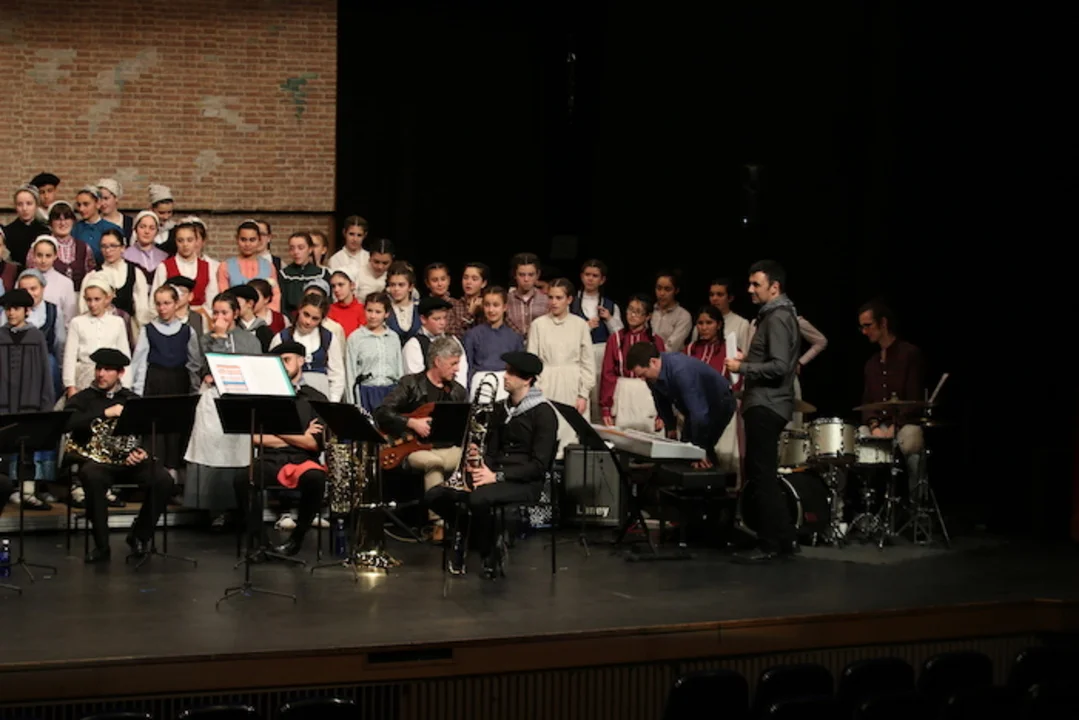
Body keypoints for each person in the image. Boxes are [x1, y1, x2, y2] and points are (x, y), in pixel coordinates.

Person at [426, 351, 559, 578]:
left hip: (524, 482)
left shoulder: (544, 414)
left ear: (527, 380)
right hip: (493, 473)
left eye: (511, 373)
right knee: (436, 495)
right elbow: (492, 450)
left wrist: (496, 476)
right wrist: (479, 464)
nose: (505, 376)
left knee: (478, 498)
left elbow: (538, 466)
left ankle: (489, 554)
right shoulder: (499, 408)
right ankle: (473, 534)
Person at [724, 260, 801, 563]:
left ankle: (771, 543)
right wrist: (749, 359)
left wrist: (742, 367)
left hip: (767, 404)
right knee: (763, 475)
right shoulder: (776, 316)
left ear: (774, 287)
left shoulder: (778, 317)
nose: (750, 289)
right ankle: (784, 540)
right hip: (767, 403)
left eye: (756, 284)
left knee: (762, 476)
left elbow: (780, 366)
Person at [66, 348, 174, 562]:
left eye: (108, 370)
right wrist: (104, 413)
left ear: (120, 373)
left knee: (164, 480)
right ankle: (101, 546)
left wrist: (142, 452)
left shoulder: (131, 399)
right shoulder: (83, 399)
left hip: (128, 462)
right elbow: (67, 423)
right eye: (99, 369)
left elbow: (148, 432)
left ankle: (139, 535)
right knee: (91, 476)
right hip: (99, 462)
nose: (101, 374)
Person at [232, 341, 328, 556]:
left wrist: (276, 431)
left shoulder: (316, 398)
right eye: (278, 361)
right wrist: (300, 435)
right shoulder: (265, 397)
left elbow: (314, 443)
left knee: (316, 479)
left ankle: (296, 539)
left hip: (303, 460)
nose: (282, 365)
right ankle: (260, 543)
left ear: (301, 361)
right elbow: (256, 438)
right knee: (242, 479)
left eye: (286, 360)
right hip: (270, 459)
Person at [373, 336, 468, 534]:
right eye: (453, 364)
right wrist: (411, 423)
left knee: (472, 460)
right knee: (434, 463)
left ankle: (466, 521)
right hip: (413, 449)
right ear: (437, 361)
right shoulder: (411, 384)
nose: (457, 369)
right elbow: (382, 412)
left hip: (445, 447)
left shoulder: (458, 392)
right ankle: (438, 525)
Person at [183, 293, 263, 526]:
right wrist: (218, 338)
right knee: (210, 451)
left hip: (240, 400)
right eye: (215, 312)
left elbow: (251, 368)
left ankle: (239, 508)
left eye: (224, 313)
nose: (219, 317)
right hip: (212, 399)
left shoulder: (250, 340)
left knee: (237, 453)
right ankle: (212, 508)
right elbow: (197, 368)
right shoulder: (203, 339)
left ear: (235, 314)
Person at [857, 299, 926, 497]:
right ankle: (868, 502)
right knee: (857, 438)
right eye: (862, 327)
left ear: (883, 323)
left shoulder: (909, 354)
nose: (864, 332)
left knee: (911, 438)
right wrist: (874, 426)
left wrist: (895, 426)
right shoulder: (871, 364)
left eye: (868, 325)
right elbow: (867, 403)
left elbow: (914, 399)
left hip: (904, 424)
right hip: (880, 426)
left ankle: (917, 503)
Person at [628, 344, 735, 470]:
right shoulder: (652, 376)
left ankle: (712, 477)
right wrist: (670, 427)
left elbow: (699, 414)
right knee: (685, 450)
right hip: (695, 407)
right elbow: (660, 400)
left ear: (653, 362)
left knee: (702, 448)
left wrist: (698, 450)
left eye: (643, 374)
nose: (642, 379)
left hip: (718, 402)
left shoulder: (680, 370)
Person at [130, 285, 202, 470]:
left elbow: (194, 364)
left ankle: (175, 475)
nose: (162, 308)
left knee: (176, 431)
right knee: (156, 431)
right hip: (155, 383)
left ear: (176, 304)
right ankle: (155, 471)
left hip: (179, 384)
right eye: (159, 304)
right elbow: (139, 362)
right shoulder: (148, 330)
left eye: (167, 303)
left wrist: (194, 391)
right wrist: (137, 391)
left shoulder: (187, 331)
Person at [0, 288, 55, 510]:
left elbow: (44, 372)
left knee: (28, 449)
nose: (11, 313)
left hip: (29, 401)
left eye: (15, 308)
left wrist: (46, 404)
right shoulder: (0, 336)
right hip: (3, 402)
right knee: (2, 450)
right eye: (7, 309)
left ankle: (28, 491)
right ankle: (6, 490)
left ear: (26, 311)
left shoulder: (36, 336)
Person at [526, 278, 594, 455]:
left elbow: (587, 362)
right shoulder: (538, 324)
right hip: (546, 384)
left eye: (559, 298)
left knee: (572, 434)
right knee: (547, 431)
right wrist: (536, 389)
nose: (554, 302)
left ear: (569, 299)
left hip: (572, 384)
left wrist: (583, 394)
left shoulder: (579, 325)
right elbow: (532, 361)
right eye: (551, 297)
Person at [600, 294, 666, 431]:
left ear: (648, 316)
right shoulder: (615, 339)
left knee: (648, 435)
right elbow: (608, 374)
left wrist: (662, 413)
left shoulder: (655, 341)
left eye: (638, 312)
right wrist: (606, 407)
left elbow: (662, 377)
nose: (632, 315)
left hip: (647, 393)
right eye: (630, 310)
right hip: (622, 394)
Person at [570, 259, 623, 422]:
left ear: (602, 280)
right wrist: (584, 327)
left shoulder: (610, 305)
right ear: (581, 276)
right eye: (587, 274)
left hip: (601, 354)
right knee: (579, 395)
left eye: (595, 276)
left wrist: (609, 319)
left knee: (599, 395)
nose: (590, 279)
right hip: (577, 353)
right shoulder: (571, 302)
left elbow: (620, 336)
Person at [270, 294, 346, 402]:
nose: (308, 321)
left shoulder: (328, 338)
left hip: (322, 395)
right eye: (306, 314)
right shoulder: (282, 338)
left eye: (315, 318)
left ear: (322, 319)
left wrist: (333, 402)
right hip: (292, 395)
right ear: (300, 309)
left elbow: (337, 375)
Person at [63, 278, 133, 395]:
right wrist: (70, 385)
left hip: (110, 378)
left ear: (107, 299)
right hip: (84, 377)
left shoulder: (117, 322)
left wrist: (126, 385)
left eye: (97, 299)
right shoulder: (77, 322)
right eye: (89, 300)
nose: (92, 304)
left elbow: (124, 353)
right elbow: (70, 356)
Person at [79, 228, 152, 327]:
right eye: (104, 246)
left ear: (123, 247)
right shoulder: (92, 275)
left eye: (113, 246)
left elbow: (142, 310)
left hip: (127, 328)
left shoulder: (135, 273)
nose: (108, 250)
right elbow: (84, 309)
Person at [151, 218, 220, 323]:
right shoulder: (164, 267)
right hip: (170, 320)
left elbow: (212, 301)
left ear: (196, 241)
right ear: (175, 242)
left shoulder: (207, 267)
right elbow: (154, 301)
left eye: (189, 240)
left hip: (200, 319)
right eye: (180, 240)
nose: (185, 244)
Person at [462, 286, 523, 401]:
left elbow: (519, 370)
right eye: (487, 305)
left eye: (496, 305)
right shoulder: (472, 335)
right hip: (480, 386)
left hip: (506, 387)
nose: (491, 310)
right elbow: (467, 367)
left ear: (505, 307)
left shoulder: (514, 337)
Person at [346, 291, 403, 413]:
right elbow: (350, 373)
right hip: (366, 392)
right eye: (369, 311)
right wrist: (352, 405)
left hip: (390, 392)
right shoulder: (355, 338)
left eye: (378, 312)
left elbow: (399, 370)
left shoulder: (393, 337)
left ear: (386, 314)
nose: (372, 316)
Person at [401, 296, 469, 389]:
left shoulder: (452, 340)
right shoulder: (414, 345)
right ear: (423, 319)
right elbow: (415, 379)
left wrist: (457, 392)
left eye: (444, 318)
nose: (442, 323)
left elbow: (461, 369)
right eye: (437, 319)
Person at [217, 219, 281, 311]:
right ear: (237, 239)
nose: (247, 244)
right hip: (236, 314)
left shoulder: (268, 266)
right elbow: (224, 298)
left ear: (259, 240)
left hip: (264, 316)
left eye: (252, 240)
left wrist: (267, 313)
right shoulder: (225, 266)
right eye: (243, 239)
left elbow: (276, 295)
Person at [44, 201, 96, 291]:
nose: (62, 223)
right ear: (50, 223)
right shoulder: (42, 247)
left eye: (67, 218)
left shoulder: (84, 247)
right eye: (58, 219)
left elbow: (91, 277)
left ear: (73, 221)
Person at [279, 231, 331, 317]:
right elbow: (282, 305)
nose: (296, 252)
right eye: (292, 248)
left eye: (301, 248)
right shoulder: (284, 275)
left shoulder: (322, 274)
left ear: (310, 249)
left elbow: (328, 302)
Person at [28, 235, 77, 327]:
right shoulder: (24, 280)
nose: (43, 260)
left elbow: (69, 317)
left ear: (55, 256)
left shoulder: (66, 283)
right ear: (33, 255)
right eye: (39, 255)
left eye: (48, 256)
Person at [72, 186, 122, 266]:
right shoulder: (74, 229)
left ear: (98, 204)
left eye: (86, 204)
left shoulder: (113, 229)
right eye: (79, 205)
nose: (81, 209)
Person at [3, 185, 49, 266]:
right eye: (20, 204)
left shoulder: (45, 231)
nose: (24, 208)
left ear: (36, 205)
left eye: (29, 203)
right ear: (15, 207)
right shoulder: (7, 232)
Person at [506, 252, 548, 337]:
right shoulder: (506, 300)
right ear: (514, 274)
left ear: (537, 275)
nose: (526, 279)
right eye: (521, 275)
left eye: (531, 275)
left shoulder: (546, 300)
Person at [652, 270, 692, 353]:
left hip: (669, 359)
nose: (662, 293)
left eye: (667, 289)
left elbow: (672, 347)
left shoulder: (683, 316)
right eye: (659, 288)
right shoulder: (649, 311)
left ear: (676, 290)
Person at [123, 210, 168, 282]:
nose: (147, 231)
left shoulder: (164, 256)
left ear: (157, 232)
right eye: (142, 227)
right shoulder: (125, 255)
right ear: (135, 229)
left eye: (152, 228)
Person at [447, 262, 489, 337]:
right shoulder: (453, 305)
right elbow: (452, 336)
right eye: (465, 278)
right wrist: (470, 314)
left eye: (474, 279)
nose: (468, 282)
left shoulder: (489, 305)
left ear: (483, 283)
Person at [384, 261, 421, 344]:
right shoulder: (385, 307)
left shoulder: (419, 307)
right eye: (392, 285)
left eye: (401, 285)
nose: (396, 289)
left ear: (410, 287)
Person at [327, 215, 369, 281]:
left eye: (359, 235)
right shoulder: (335, 260)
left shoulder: (369, 259)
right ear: (344, 233)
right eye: (351, 234)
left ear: (365, 235)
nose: (355, 239)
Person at [327, 270, 365, 337]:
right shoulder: (328, 310)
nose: (336, 289)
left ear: (352, 285)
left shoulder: (363, 310)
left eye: (340, 285)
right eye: (333, 286)